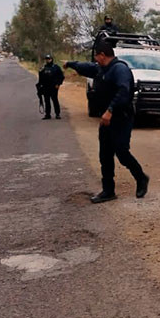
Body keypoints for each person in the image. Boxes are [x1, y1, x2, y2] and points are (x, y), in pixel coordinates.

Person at [65, 41, 149, 204]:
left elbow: (123, 92)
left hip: (120, 118)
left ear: (102, 55)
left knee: (122, 153)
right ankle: (108, 190)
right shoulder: (101, 68)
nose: (95, 60)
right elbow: (86, 67)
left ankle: (141, 178)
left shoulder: (120, 70)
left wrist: (110, 110)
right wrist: (70, 64)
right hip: (106, 119)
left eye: (97, 57)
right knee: (105, 155)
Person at [37, 54, 65, 120]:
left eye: (49, 59)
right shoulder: (43, 67)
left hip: (54, 87)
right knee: (47, 101)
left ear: (51, 59)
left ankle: (57, 114)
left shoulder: (56, 67)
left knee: (55, 100)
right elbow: (40, 78)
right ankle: (47, 114)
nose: (48, 60)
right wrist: (39, 86)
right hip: (45, 87)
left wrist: (58, 84)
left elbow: (61, 77)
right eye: (46, 59)